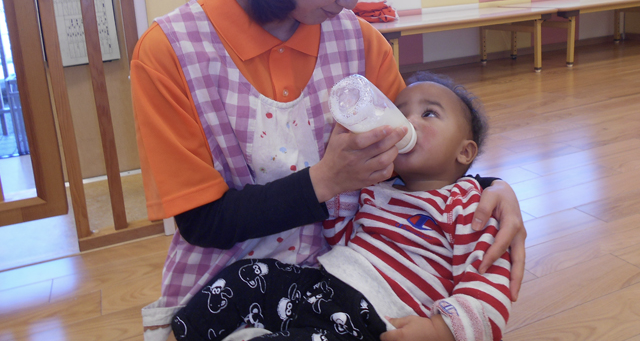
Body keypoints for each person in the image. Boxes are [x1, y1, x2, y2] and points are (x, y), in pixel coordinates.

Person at [131, 0, 525, 339]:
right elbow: (202, 222)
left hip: (353, 278)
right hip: (225, 282)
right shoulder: (170, 52)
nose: (350, 0)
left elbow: (410, 154)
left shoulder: (361, 45)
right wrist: (325, 180)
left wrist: (488, 186)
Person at [170, 72, 511, 341]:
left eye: (428, 113)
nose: (406, 122)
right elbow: (341, 235)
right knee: (244, 278)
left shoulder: (467, 203)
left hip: (375, 320)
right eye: (401, 111)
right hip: (323, 285)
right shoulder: (380, 188)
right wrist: (345, 181)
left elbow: (489, 283)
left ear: (464, 152)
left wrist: (443, 331)